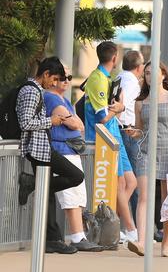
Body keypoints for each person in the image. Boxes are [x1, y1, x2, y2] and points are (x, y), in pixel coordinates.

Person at [17, 57, 85, 254]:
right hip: (37, 148)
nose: (55, 84)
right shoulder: (31, 90)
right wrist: (51, 121)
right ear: (45, 74)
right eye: (54, 79)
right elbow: (26, 123)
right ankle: (32, 184)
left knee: (49, 194)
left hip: (42, 146)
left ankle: (52, 239)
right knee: (75, 176)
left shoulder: (36, 90)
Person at [126, 62, 168, 257]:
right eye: (146, 73)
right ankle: (141, 242)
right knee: (144, 196)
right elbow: (140, 130)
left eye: (153, 73)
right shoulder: (140, 102)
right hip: (146, 151)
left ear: (163, 75)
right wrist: (132, 132)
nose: (149, 76)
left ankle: (166, 242)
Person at [44, 65, 103, 252]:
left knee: (78, 194)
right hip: (62, 149)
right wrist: (73, 122)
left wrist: (74, 122)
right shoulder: (51, 97)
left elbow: (79, 124)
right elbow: (75, 123)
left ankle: (79, 235)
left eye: (69, 76)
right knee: (70, 194)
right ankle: (77, 236)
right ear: (53, 77)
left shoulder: (63, 99)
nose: (67, 80)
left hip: (71, 150)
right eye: (63, 76)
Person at [83, 41, 137, 242]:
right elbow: (102, 116)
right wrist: (121, 107)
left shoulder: (108, 78)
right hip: (104, 137)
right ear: (114, 58)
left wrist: (119, 105)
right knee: (120, 182)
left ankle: (115, 223)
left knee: (129, 182)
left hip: (114, 136)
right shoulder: (97, 79)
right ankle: (129, 230)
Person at [116, 50, 144, 221]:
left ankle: (122, 221)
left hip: (121, 130)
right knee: (133, 180)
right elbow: (122, 104)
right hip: (126, 131)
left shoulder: (119, 77)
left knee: (125, 181)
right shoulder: (132, 83)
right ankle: (129, 222)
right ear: (139, 67)